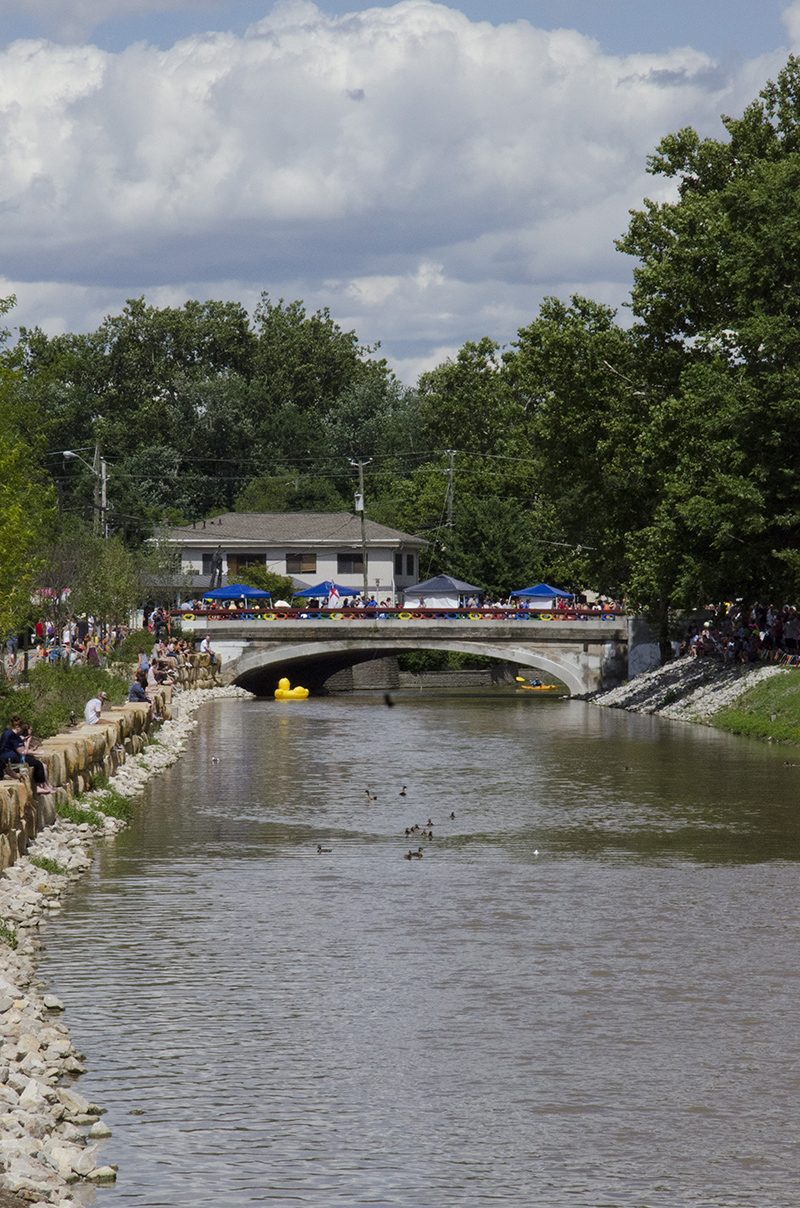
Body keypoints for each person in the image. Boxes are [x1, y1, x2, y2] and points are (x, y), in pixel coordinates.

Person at [0, 717, 55, 794]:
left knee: (36, 762)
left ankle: (45, 785)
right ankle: (38, 786)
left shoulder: (8, 733)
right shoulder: (13, 736)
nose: (23, 731)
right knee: (37, 764)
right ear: (17, 727)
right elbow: (22, 752)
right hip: (11, 758)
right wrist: (37, 753)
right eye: (22, 729)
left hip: (7, 756)